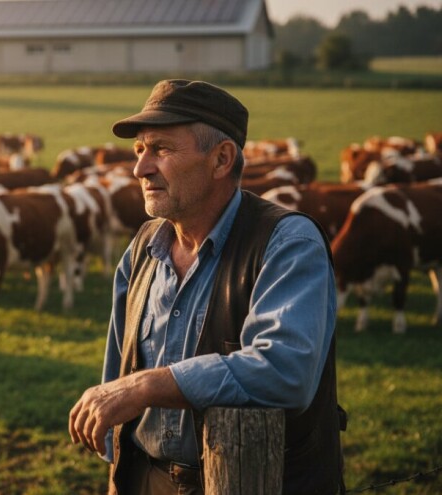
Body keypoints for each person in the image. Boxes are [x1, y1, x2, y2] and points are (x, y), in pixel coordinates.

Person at [67, 79, 345, 495]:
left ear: (221, 159)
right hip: (147, 480)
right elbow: (117, 379)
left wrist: (148, 386)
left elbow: (285, 371)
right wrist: (117, 478)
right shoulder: (143, 246)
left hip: (258, 485)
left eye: (161, 149)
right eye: (139, 150)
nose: (140, 169)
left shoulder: (286, 243)